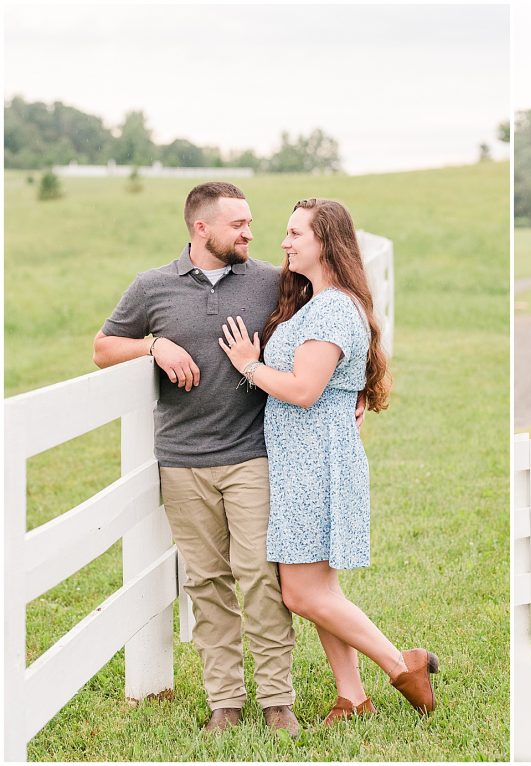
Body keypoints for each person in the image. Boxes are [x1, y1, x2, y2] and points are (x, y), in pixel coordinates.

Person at [93, 182, 302, 736]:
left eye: (251, 222)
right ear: (201, 228)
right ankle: (226, 704)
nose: (251, 233)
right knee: (207, 582)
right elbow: (102, 348)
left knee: (260, 575)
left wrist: (350, 390)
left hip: (251, 453)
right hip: (182, 461)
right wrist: (152, 345)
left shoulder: (270, 282)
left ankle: (278, 700)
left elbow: (327, 324)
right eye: (239, 224)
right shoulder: (152, 287)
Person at [219, 197, 439, 723]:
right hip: (301, 460)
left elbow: (302, 390)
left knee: (299, 592)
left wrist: (249, 365)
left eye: (295, 234)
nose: (284, 242)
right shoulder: (315, 303)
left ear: (326, 242)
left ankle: (401, 664)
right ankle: (351, 696)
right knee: (319, 589)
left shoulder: (335, 307)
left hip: (316, 463)